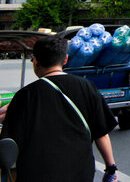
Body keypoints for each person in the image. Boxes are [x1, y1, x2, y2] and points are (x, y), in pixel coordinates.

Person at [0, 34, 118, 181]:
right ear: (65, 59)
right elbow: (101, 133)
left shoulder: (25, 95)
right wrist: (110, 168)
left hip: (36, 175)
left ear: (35, 61)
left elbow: (10, 143)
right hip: (79, 173)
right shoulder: (87, 87)